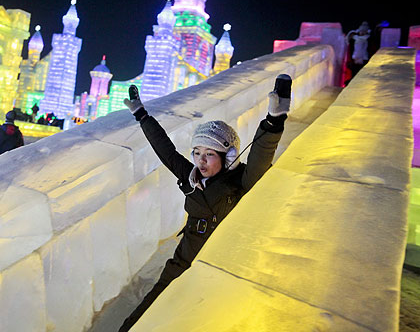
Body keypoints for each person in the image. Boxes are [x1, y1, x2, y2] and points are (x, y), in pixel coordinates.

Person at [118, 75, 291, 331]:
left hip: (216, 271)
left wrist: (274, 120)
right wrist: (142, 115)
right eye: (197, 153)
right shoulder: (191, 178)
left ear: (229, 156)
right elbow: (166, 151)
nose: (201, 161)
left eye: (210, 154)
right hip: (181, 264)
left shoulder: (241, 183)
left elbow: (259, 157)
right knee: (140, 320)